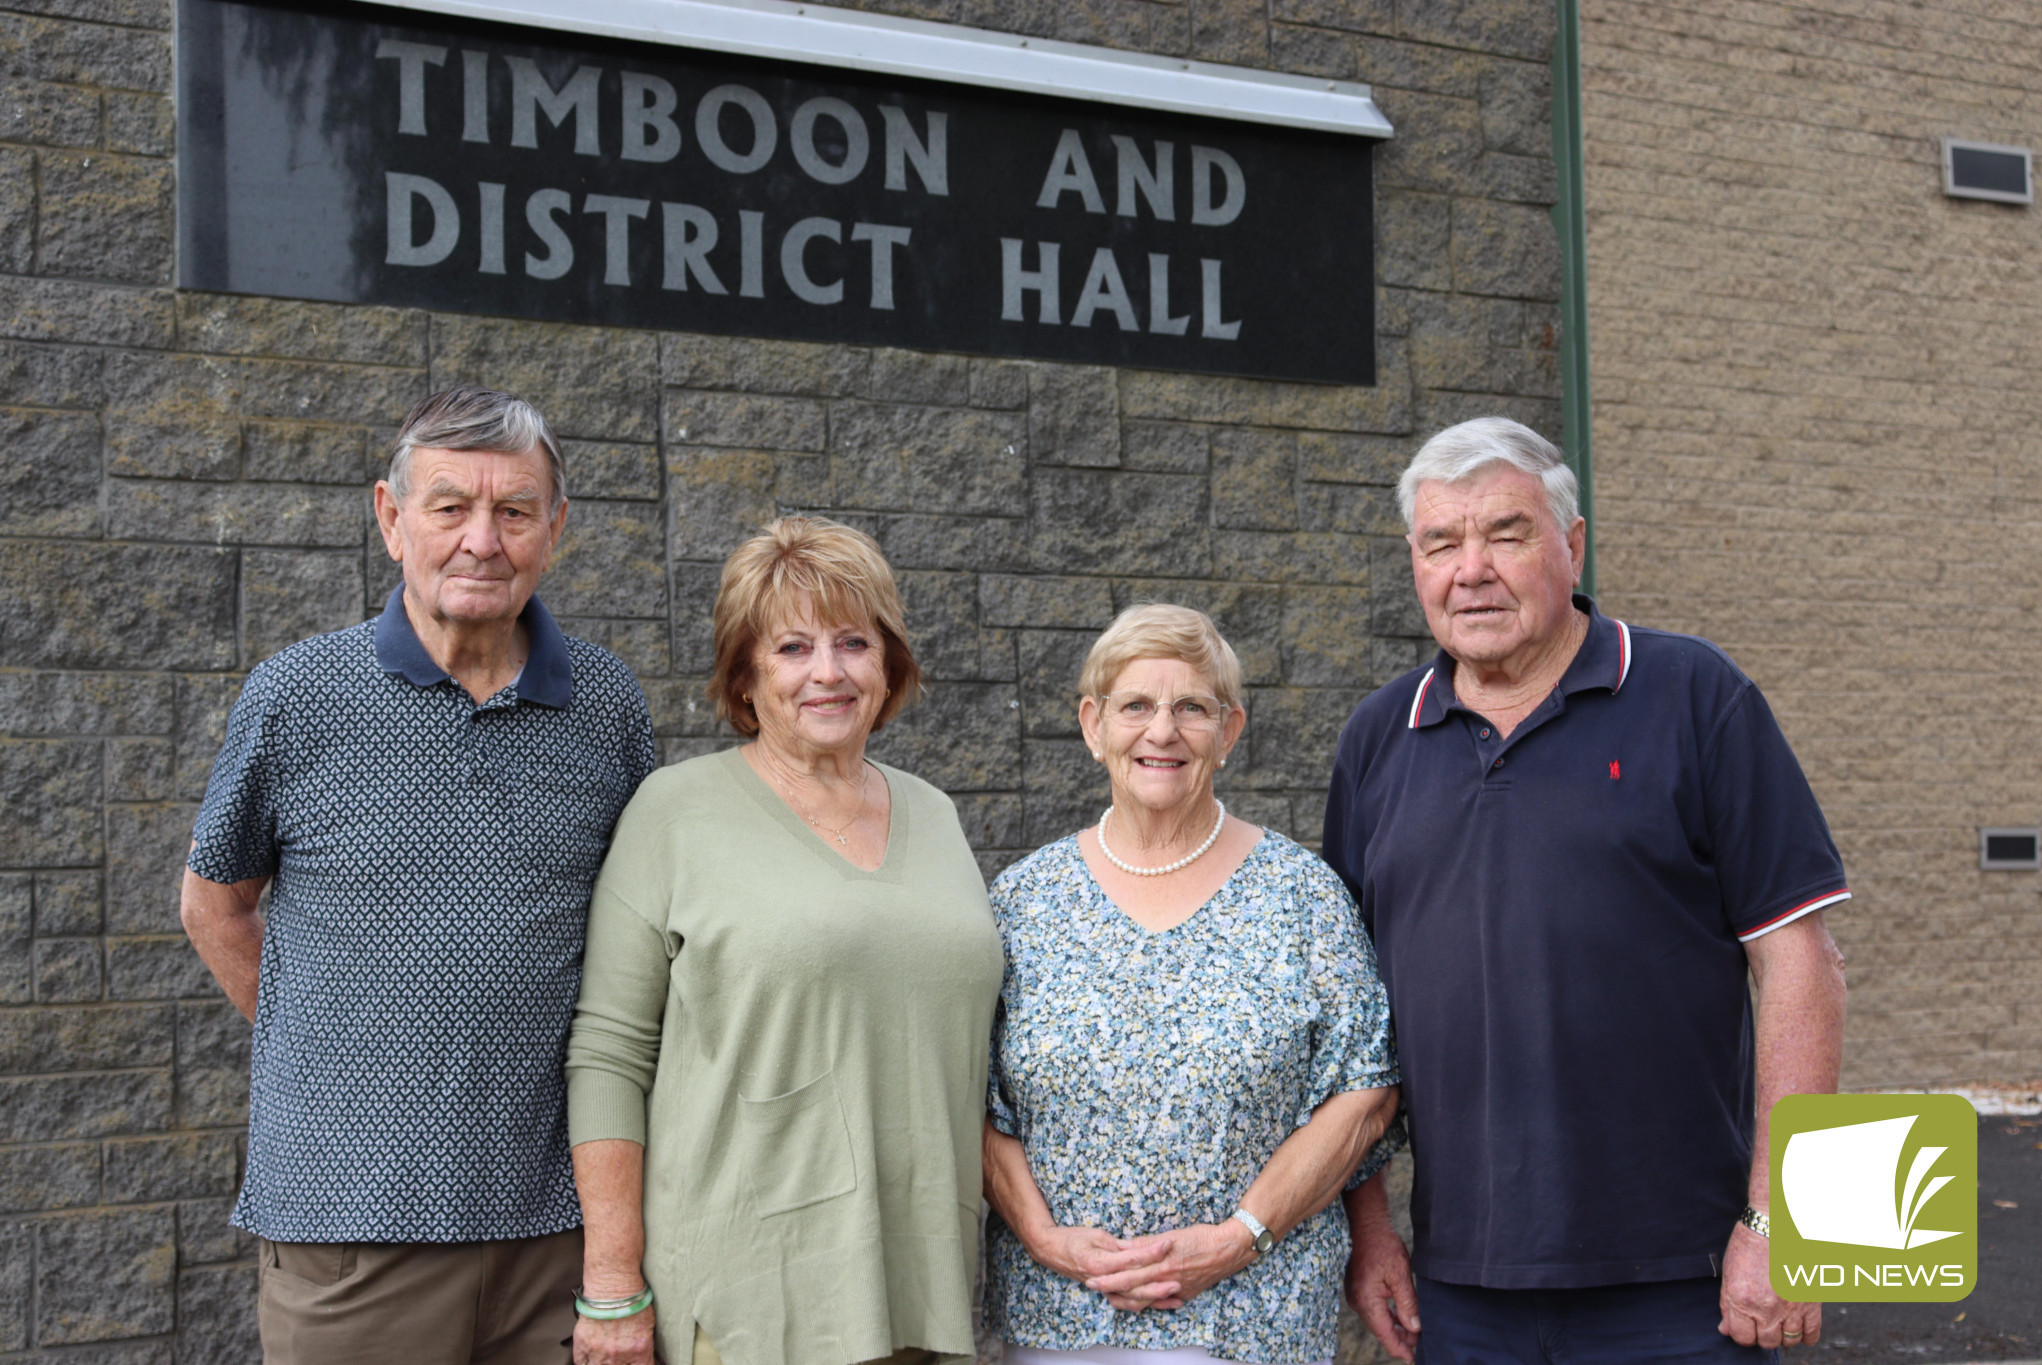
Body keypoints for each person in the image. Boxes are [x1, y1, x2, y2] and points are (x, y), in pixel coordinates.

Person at [1322, 417, 1850, 1365]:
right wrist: (1370, 1228)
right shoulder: (1376, 740)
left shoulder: (1695, 694)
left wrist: (1784, 1227)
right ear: (1416, 562)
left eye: (1506, 533)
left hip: (1684, 1282)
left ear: (1570, 545)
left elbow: (1803, 964)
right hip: (1462, 1283)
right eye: (1442, 543)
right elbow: (1347, 1025)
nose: (1470, 569)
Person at [179, 385, 657, 1364]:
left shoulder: (605, 703)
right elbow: (215, 908)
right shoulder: (298, 694)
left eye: (513, 511)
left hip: (556, 1234)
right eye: (449, 506)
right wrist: (338, 1055)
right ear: (392, 520)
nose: (481, 540)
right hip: (348, 1237)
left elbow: (641, 934)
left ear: (553, 531)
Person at [564, 515, 1004, 1365]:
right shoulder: (674, 813)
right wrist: (613, 1287)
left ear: (889, 662)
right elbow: (610, 1054)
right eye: (793, 648)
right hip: (750, 1294)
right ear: (746, 673)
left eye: (853, 642)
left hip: (923, 1284)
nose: (829, 672)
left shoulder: (935, 813)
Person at [982, 603, 1403, 1365]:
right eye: (1136, 705)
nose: (1162, 731)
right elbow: (971, 1095)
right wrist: (1044, 1236)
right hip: (1062, 1323)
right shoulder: (1021, 902)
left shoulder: (1302, 895)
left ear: (1229, 730)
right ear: (1093, 724)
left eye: (1192, 708)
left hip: (1254, 1323)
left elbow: (1364, 1092)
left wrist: (1237, 1238)